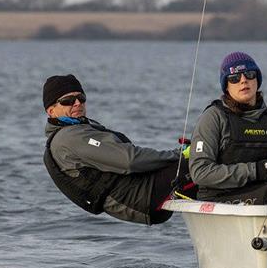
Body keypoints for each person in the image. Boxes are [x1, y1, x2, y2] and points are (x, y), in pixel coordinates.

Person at [42, 74, 187, 225]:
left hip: (142, 191)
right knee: (198, 163)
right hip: (141, 199)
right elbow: (130, 160)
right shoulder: (69, 138)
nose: (78, 103)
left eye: (81, 98)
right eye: (68, 101)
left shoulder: (79, 129)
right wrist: (178, 154)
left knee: (198, 162)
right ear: (51, 111)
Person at [189, 52, 267, 205]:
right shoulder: (213, 117)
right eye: (235, 78)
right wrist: (256, 170)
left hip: (265, 195)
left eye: (249, 74)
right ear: (226, 86)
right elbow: (200, 172)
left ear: (257, 80)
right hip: (219, 199)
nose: (243, 80)